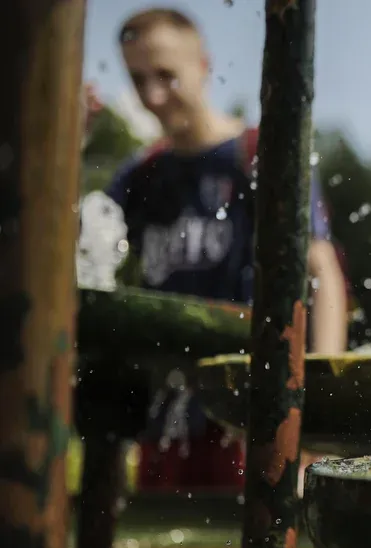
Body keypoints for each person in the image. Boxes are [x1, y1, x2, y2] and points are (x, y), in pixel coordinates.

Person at [90, 8, 348, 492]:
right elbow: (70, 247)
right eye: (138, 79)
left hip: (251, 413)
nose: (152, 96)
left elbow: (323, 272)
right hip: (166, 421)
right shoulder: (142, 173)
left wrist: (315, 402)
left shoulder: (260, 155)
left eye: (166, 75)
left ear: (204, 65)